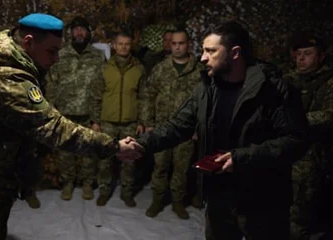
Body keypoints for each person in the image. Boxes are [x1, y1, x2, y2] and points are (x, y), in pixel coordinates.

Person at [0, 13, 142, 240]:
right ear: (28, 42)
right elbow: (55, 128)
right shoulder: (5, 81)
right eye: (51, 51)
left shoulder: (9, 51)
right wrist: (114, 147)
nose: (57, 58)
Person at [134, 21, 308, 240]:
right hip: (219, 196)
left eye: (211, 51)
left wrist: (241, 158)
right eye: (203, 50)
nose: (203, 57)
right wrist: (141, 144)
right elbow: (177, 126)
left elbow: (296, 141)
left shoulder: (273, 89)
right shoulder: (207, 88)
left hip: (262, 199)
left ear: (235, 53)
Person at [141, 29, 203, 219]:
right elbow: (148, 95)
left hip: (186, 131)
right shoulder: (160, 68)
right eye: (174, 44)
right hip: (162, 128)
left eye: (181, 43)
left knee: (181, 168)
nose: (177, 47)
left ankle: (178, 202)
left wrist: (198, 129)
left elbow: (205, 101)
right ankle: (157, 200)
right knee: (160, 166)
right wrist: (148, 123)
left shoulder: (199, 71)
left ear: (189, 45)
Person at [46, 16, 106, 201]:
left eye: (83, 29)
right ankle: (68, 183)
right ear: (70, 32)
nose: (79, 32)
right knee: (66, 152)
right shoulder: (60, 55)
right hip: (65, 112)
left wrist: (97, 118)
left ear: (88, 32)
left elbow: (102, 87)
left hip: (89, 112)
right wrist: (51, 111)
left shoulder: (98, 57)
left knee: (88, 151)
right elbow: (51, 83)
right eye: (76, 29)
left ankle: (87, 183)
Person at [284, 35, 333, 240]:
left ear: (320, 57)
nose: (301, 59)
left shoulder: (328, 82)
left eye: (308, 54)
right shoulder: (286, 80)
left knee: (300, 213)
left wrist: (295, 120)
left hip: (311, 155)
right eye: (299, 54)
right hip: (282, 151)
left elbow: (330, 115)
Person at [92, 31, 146, 207]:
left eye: (127, 44)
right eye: (120, 44)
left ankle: (127, 193)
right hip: (107, 121)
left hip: (130, 122)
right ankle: (104, 191)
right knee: (105, 160)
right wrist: (95, 121)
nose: (124, 47)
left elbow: (144, 96)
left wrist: (142, 121)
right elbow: (96, 95)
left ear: (131, 45)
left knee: (129, 160)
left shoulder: (139, 69)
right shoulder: (104, 68)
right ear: (113, 45)